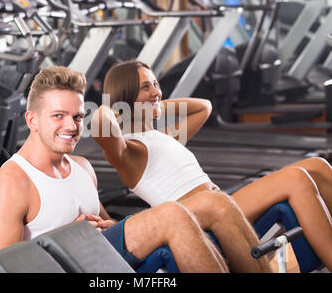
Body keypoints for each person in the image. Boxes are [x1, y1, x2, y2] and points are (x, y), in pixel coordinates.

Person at [0, 65, 234, 273]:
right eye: (58, 116)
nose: (71, 126)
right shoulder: (11, 184)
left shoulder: (83, 168)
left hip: (107, 266)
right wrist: (69, 235)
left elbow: (106, 225)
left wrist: (109, 225)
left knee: (202, 212)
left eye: (77, 117)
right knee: (173, 215)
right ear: (32, 120)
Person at [92, 59, 332, 272]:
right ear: (125, 96)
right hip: (199, 218)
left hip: (223, 203)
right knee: (297, 179)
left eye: (156, 83)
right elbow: (101, 124)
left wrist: (155, 102)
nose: (156, 91)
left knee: (317, 165)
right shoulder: (130, 151)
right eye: (146, 86)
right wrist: (116, 106)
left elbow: (204, 107)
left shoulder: (164, 135)